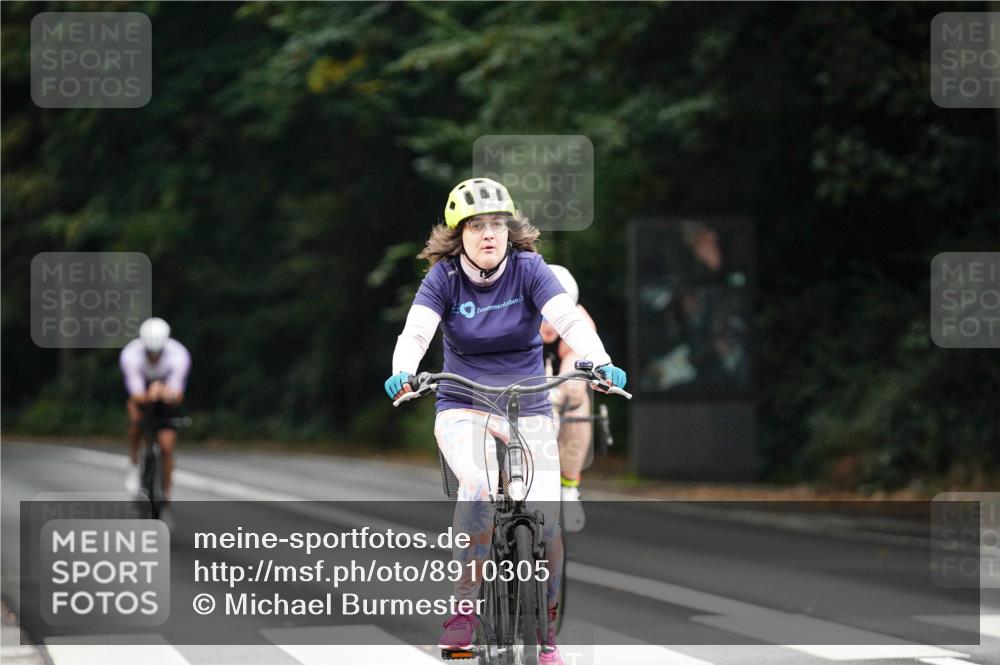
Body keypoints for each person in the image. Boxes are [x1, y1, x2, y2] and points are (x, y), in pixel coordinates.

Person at [384, 178, 627, 664]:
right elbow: (416, 332)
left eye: (497, 224)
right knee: (476, 486)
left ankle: (547, 634)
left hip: (528, 403)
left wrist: (599, 359)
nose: (489, 234)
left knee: (551, 523)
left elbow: (570, 319)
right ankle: (462, 613)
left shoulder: (530, 268)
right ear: (459, 234)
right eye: (476, 226)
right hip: (463, 403)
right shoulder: (444, 278)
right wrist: (403, 372)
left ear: (509, 230)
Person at [539, 265, 596, 533]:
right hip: (518, 375)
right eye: (543, 316)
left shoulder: (580, 321)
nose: (549, 325)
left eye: (556, 318)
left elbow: (577, 361)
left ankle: (569, 485)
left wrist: (570, 383)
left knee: (576, 399)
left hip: (556, 379)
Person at [119, 317, 191, 501]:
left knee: (166, 448)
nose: (153, 356)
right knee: (136, 424)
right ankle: (134, 465)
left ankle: (166, 496)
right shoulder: (130, 355)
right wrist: (150, 395)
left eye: (157, 352)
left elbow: (177, 393)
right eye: (150, 352)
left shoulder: (179, 354)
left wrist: (166, 394)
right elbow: (136, 395)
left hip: (166, 398)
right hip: (143, 394)